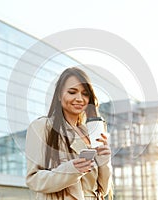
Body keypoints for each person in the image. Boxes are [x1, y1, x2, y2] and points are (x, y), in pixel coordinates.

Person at [26, 67, 113, 199]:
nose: (79, 98)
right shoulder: (42, 127)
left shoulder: (91, 132)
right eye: (72, 92)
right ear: (60, 95)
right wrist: (71, 170)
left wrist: (105, 160)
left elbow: (103, 189)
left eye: (85, 94)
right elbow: (33, 180)